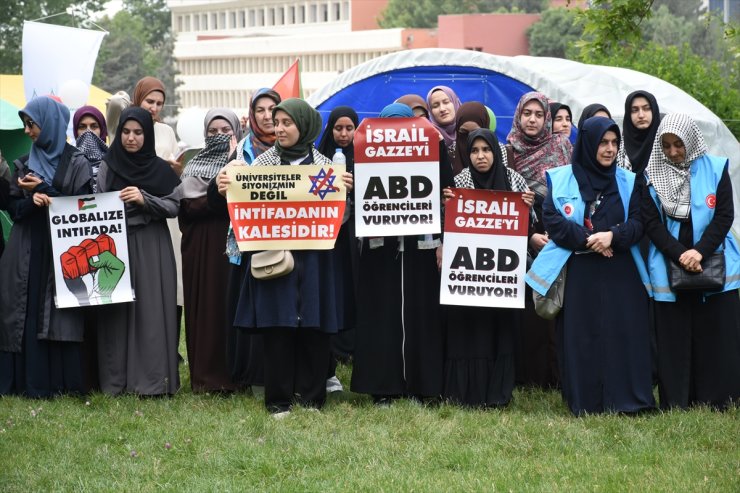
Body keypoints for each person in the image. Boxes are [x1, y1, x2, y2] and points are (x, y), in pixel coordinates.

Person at [216, 98, 353, 415]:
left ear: (304, 125)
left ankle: (312, 399)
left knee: (315, 328)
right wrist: (226, 188)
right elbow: (242, 212)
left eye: (286, 123)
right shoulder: (260, 166)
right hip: (274, 260)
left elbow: (341, 220)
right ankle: (278, 402)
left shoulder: (326, 167)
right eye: (276, 123)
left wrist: (344, 194)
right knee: (277, 328)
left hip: (316, 263)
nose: (279, 128)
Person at [526, 116, 654, 416]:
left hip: (621, 271)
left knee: (622, 334)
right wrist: (591, 240)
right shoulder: (559, 178)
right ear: (587, 143)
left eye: (614, 143)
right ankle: (586, 400)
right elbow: (554, 222)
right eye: (602, 143)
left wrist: (613, 236)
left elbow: (639, 222)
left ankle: (626, 399)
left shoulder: (629, 179)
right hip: (579, 272)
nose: (609, 149)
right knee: (582, 336)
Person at [351, 102, 452, 406]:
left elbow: (446, 191)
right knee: (381, 317)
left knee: (423, 317)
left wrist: (442, 237)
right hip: (380, 249)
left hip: (420, 249)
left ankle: (424, 386)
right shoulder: (363, 148)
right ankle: (383, 388)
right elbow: (358, 195)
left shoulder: (433, 144)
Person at [642, 113, 740, 409]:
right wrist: (680, 255)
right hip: (669, 262)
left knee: (716, 334)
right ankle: (677, 401)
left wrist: (699, 252)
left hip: (714, 259)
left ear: (692, 141)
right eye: (667, 146)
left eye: (679, 145)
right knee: (675, 337)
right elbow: (651, 222)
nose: (673, 152)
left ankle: (720, 400)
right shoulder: (651, 173)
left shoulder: (715, 168)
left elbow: (724, 215)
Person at [0, 96, 93, 397]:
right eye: (25, 125)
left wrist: (43, 190)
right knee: (24, 311)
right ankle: (28, 382)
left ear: (50, 123)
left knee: (58, 312)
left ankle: (59, 382)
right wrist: (31, 201)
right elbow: (13, 209)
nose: (27, 131)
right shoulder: (24, 162)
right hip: (28, 247)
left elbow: (82, 207)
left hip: (63, 249)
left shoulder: (77, 161)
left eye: (32, 125)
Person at [442, 129, 534, 407]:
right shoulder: (459, 182)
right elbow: (447, 227)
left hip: (501, 278)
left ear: (496, 151)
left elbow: (526, 229)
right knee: (469, 329)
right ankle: (465, 391)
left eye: (486, 149)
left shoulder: (515, 180)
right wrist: (446, 206)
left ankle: (498, 391)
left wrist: (528, 207)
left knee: (499, 331)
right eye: (474, 151)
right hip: (469, 275)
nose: (480, 156)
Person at [96, 106, 182, 396]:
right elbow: (97, 202)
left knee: (151, 310)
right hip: (116, 245)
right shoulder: (109, 164)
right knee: (117, 310)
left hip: (151, 244)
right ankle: (116, 380)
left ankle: (151, 381)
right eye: (126, 132)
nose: (131, 138)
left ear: (147, 134)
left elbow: (174, 206)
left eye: (138, 132)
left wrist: (145, 199)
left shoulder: (160, 169)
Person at [506, 91, 572, 388]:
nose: (532, 120)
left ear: (547, 118)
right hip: (523, 230)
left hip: (560, 226)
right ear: (518, 116)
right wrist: (528, 235)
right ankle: (531, 376)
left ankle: (558, 373)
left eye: (538, 114)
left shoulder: (562, 146)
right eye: (526, 114)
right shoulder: (509, 150)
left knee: (560, 300)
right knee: (530, 307)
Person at [179, 109, 242, 393]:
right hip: (202, 249)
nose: (218, 136)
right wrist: (216, 195)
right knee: (206, 309)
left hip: (233, 248)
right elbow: (186, 209)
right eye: (213, 131)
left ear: (236, 133)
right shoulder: (193, 167)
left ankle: (237, 375)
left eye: (225, 131)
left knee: (231, 307)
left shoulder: (244, 164)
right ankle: (206, 377)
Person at [132, 77, 185, 362]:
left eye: (159, 104)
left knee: (172, 283)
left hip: (166, 214)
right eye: (149, 102)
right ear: (138, 99)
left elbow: (175, 172)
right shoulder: (128, 129)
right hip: (136, 213)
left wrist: (174, 170)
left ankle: (171, 347)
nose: (153, 108)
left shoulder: (165, 131)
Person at [317, 106, 360, 391]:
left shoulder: (366, 159)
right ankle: (329, 361)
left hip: (354, 242)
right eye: (338, 128)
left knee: (353, 292)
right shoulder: (318, 160)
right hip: (327, 243)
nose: (344, 134)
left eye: (349, 128)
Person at [617, 90, 661, 175]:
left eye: (646, 109)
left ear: (654, 111)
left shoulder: (665, 145)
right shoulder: (617, 148)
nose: (641, 115)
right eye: (634, 110)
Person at [236, 88, 282, 163]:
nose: (267, 116)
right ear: (252, 115)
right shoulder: (240, 149)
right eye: (260, 110)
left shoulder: (295, 146)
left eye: (272, 109)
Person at [73, 106, 108, 192]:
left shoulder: (114, 160)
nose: (88, 131)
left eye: (94, 126)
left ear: (102, 130)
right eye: (82, 127)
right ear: (75, 131)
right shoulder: (68, 162)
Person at [452, 102, 491, 175]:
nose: (470, 139)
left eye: (475, 132)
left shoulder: (502, 153)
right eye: (464, 133)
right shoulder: (449, 156)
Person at [426, 86, 461, 164]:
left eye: (446, 102)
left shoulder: (468, 130)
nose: (442, 109)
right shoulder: (429, 138)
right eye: (435, 106)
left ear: (455, 102)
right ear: (430, 112)